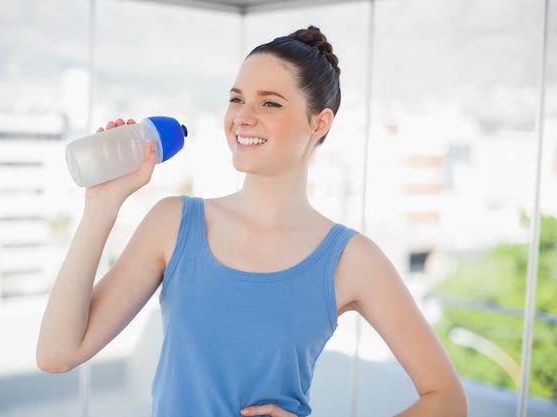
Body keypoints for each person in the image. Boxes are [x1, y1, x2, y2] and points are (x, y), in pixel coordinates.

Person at [37, 26, 468, 417]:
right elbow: (57, 355)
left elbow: (447, 399)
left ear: (319, 123)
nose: (243, 116)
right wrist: (102, 204)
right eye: (237, 98)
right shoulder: (174, 224)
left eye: (270, 103)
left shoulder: (351, 260)